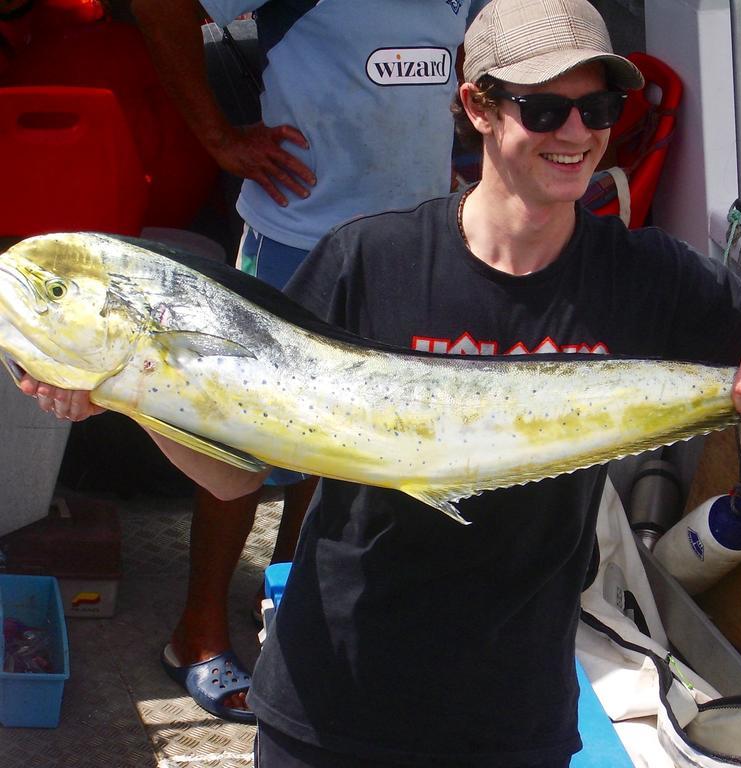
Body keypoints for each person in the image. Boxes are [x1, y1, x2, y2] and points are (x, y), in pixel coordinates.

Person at [23, 0, 741, 762]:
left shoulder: (647, 275)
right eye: (543, 109)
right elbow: (240, 470)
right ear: (476, 107)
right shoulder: (369, 258)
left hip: (513, 713)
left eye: (598, 109)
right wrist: (130, 396)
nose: (575, 134)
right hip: (331, 698)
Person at [121, 0, 490, 723]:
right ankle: (194, 635)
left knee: (334, 441)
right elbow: (159, 7)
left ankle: (286, 610)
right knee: (239, 444)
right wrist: (217, 138)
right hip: (297, 239)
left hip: (406, 244)